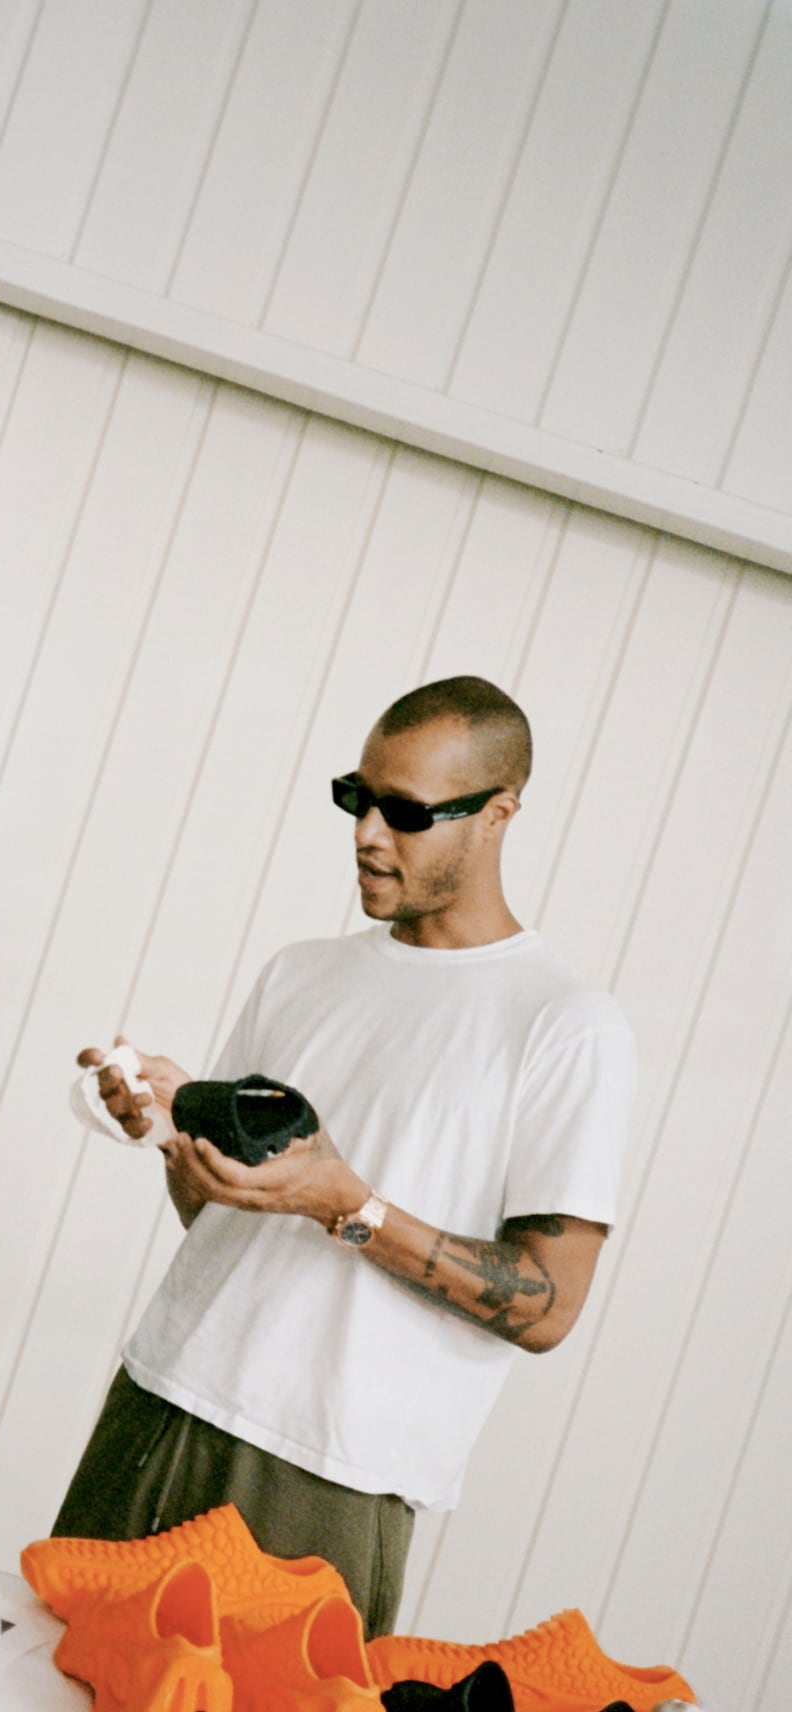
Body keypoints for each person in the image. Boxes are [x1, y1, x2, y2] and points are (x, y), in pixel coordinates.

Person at [54, 677, 636, 1642]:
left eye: (405, 813)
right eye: (354, 798)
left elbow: (547, 1305)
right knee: (47, 1701)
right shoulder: (302, 971)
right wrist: (174, 1132)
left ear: (499, 815)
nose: (367, 833)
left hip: (327, 1475)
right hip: (161, 1399)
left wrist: (351, 1207)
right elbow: (225, 1218)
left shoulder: (566, 1025)